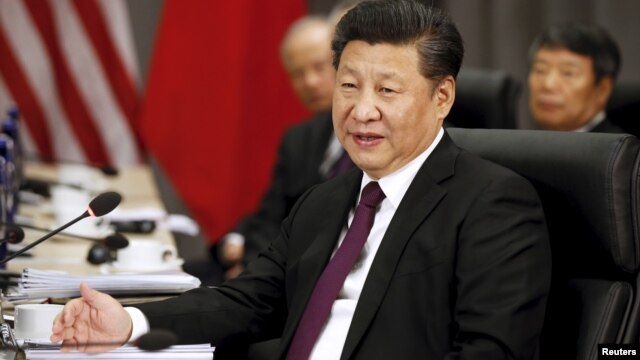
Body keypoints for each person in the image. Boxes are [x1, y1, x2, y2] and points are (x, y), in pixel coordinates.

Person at [52, 1, 551, 359]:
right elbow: (248, 300)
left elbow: (493, 350)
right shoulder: (325, 201)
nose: (362, 111)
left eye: (388, 90)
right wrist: (131, 322)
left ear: (442, 97)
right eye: (349, 86)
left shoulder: (493, 202)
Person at [211, 15, 354, 281]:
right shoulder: (298, 139)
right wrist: (250, 273)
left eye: (319, 66)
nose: (309, 81)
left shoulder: (376, 135)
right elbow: (271, 217)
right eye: (297, 73)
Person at [528, 22, 625, 133]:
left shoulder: (620, 149)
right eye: (540, 70)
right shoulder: (519, 147)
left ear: (603, 89)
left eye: (568, 73)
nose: (548, 85)